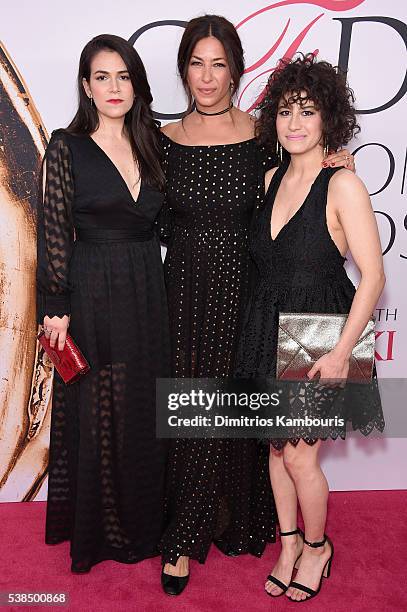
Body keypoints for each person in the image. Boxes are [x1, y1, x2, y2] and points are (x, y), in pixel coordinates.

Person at [157, 15, 354, 596]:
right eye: (197, 62)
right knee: (194, 414)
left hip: (253, 299)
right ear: (183, 69)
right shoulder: (160, 139)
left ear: (237, 70)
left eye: (219, 63)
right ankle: (181, 537)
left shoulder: (263, 137)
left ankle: (253, 524)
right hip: (185, 293)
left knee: (257, 427)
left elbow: (308, 174)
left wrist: (343, 167)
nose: (207, 75)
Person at [234, 54, 385, 601]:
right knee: (276, 450)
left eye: (308, 112)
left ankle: (319, 548)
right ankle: (290, 542)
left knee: (299, 453)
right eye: (285, 111)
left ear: (329, 121)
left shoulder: (342, 183)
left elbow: (373, 276)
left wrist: (343, 351)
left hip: (322, 328)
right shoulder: (271, 177)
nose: (294, 123)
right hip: (269, 322)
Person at [37, 34, 170, 573]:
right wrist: (55, 304)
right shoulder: (66, 145)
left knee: (141, 406)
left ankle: (143, 525)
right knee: (98, 408)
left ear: (136, 84)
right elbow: (53, 228)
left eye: (123, 76)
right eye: (102, 77)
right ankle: (98, 533)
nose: (114, 87)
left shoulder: (156, 143)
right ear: (86, 87)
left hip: (147, 288)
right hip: (90, 287)